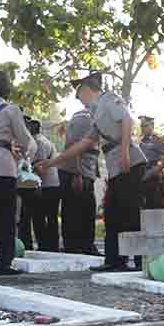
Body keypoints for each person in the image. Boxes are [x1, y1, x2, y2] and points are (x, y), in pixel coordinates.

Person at [37, 71, 147, 272]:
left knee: (130, 213)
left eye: (79, 95)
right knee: (112, 214)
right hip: (116, 167)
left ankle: (142, 261)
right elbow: (82, 144)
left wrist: (124, 151)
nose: (80, 100)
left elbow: (127, 120)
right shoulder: (96, 116)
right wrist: (51, 162)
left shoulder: (109, 99)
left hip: (130, 162)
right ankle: (114, 260)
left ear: (87, 90)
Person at [0, 70, 35, 275]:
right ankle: (3, 263)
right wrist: (25, 156)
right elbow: (24, 140)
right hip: (2, 167)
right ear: (7, 89)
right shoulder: (11, 110)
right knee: (5, 216)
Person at [58, 104, 101, 255]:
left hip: (85, 170)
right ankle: (76, 246)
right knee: (77, 210)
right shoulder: (84, 117)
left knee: (84, 210)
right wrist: (77, 173)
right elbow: (74, 144)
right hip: (76, 170)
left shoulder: (93, 118)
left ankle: (83, 245)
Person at [30, 118, 62, 252]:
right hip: (54, 184)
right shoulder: (45, 140)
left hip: (46, 185)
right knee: (51, 216)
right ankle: (52, 245)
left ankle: (45, 245)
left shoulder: (38, 142)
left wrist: (37, 184)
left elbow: (41, 167)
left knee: (39, 216)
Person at [17, 117, 42, 251]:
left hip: (23, 181)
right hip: (27, 181)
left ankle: (25, 242)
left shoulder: (27, 140)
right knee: (24, 216)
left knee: (23, 216)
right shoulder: (31, 140)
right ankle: (26, 243)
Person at [138, 116, 164, 209]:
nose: (143, 128)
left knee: (153, 206)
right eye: (142, 126)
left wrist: (158, 168)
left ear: (152, 126)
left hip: (152, 177)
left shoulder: (156, 140)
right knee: (143, 207)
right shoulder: (140, 141)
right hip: (141, 176)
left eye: (146, 125)